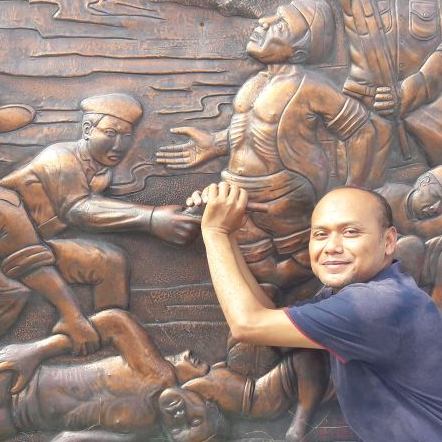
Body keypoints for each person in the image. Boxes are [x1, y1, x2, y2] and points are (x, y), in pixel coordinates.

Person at [157, 0, 386, 295]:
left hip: (283, 197)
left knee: (302, 266)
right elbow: (255, 131)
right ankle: (266, 308)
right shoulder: (255, 83)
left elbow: (361, 130)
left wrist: (353, 192)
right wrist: (215, 143)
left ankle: (306, 310)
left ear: (299, 50)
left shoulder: (310, 86)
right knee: (253, 268)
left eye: (280, 25)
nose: (264, 22)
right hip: (238, 194)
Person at [188, 182, 442, 441]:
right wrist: (229, 233)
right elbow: (266, 319)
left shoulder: (376, 305)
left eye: (350, 232)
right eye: (320, 234)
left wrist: (215, 231)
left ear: (388, 241)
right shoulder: (359, 294)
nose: (331, 246)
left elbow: (249, 325)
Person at [0, 93, 200, 346]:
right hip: (11, 246)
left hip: (38, 245)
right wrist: (151, 219)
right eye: (110, 133)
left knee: (109, 261)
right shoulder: (60, 156)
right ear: (87, 129)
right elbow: (76, 209)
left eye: (126, 136)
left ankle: (114, 340)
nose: (118, 145)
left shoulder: (101, 174)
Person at [0, 309, 329, 442]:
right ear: (208, 402)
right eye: (194, 419)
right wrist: (35, 351)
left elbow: (67, 440)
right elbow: (115, 322)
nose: (179, 416)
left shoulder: (142, 430)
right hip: (19, 382)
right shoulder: (159, 376)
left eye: (179, 430)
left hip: (16, 420)